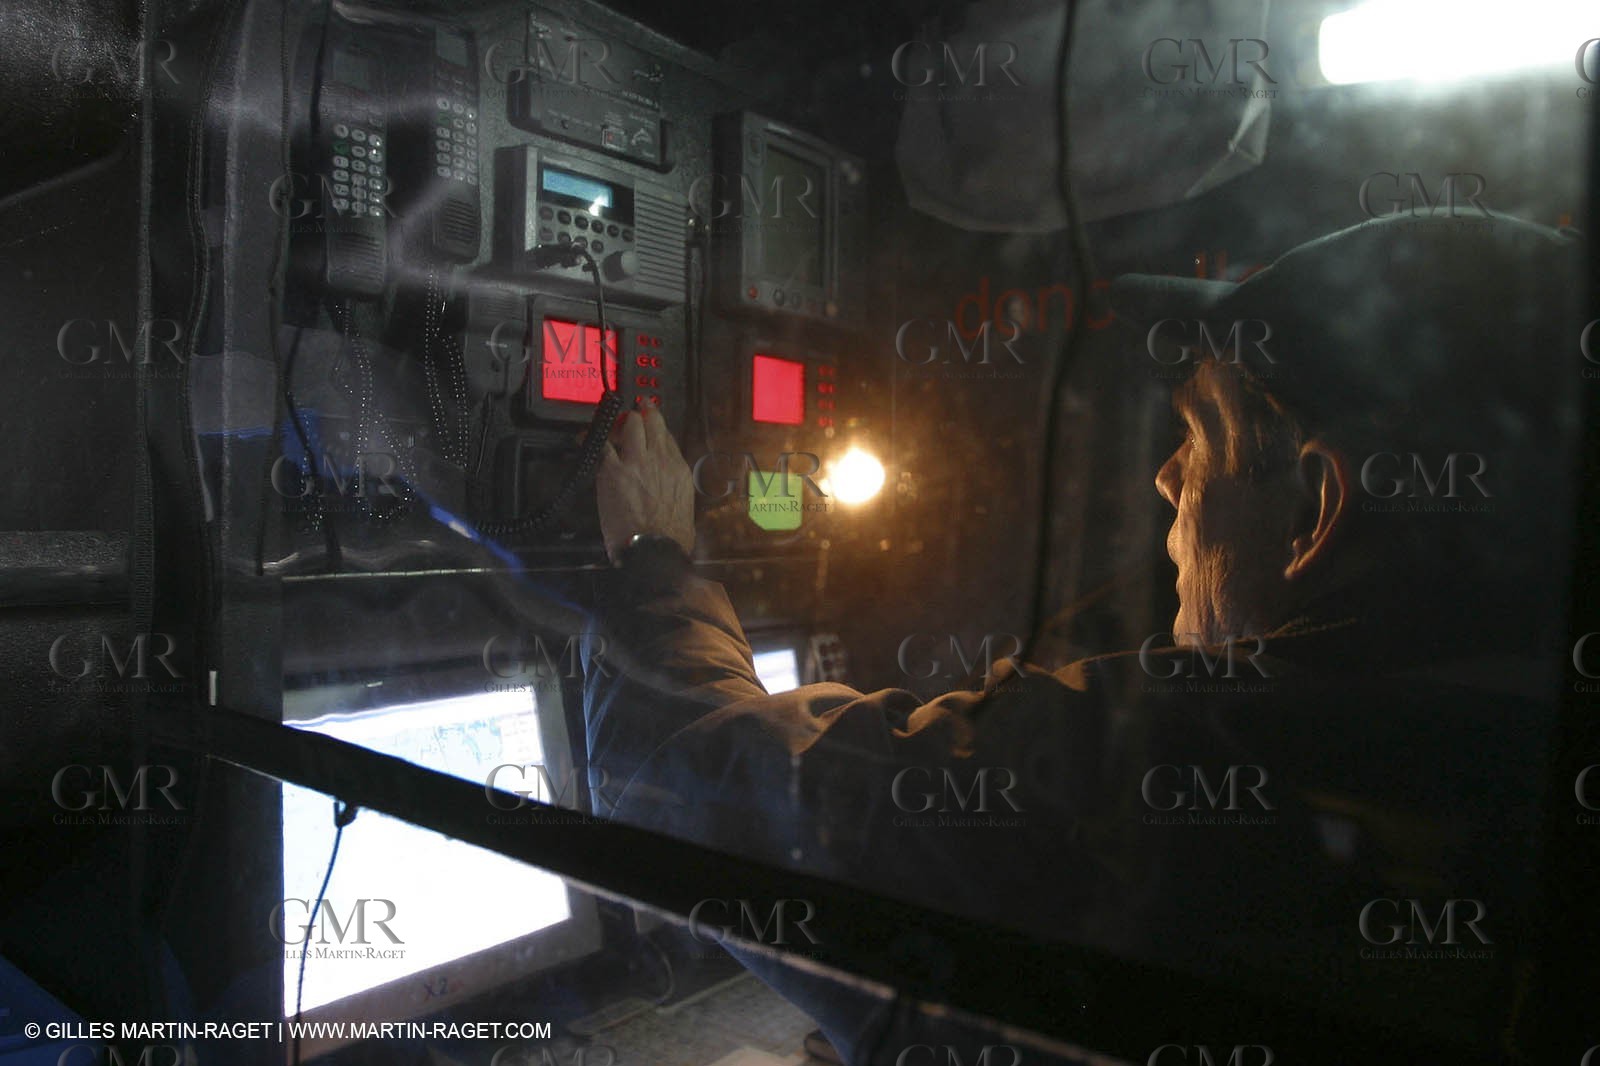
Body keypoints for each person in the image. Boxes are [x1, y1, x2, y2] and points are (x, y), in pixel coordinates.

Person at [580, 213, 1582, 1063]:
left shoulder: (1181, 762)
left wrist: (654, 557)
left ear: (1313, 507)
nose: (1161, 480)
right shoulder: (1506, 735)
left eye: (1197, 441)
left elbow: (678, 782)